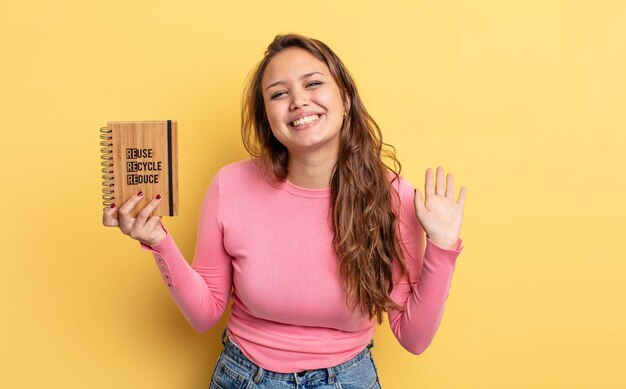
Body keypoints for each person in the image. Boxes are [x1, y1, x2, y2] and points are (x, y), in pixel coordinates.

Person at [102, 33, 467, 389]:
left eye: (312, 84)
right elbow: (204, 314)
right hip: (244, 377)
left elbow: (414, 338)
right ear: (267, 118)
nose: (298, 101)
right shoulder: (230, 186)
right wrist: (158, 242)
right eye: (279, 93)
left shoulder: (392, 197)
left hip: (349, 378)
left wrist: (443, 246)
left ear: (345, 97)